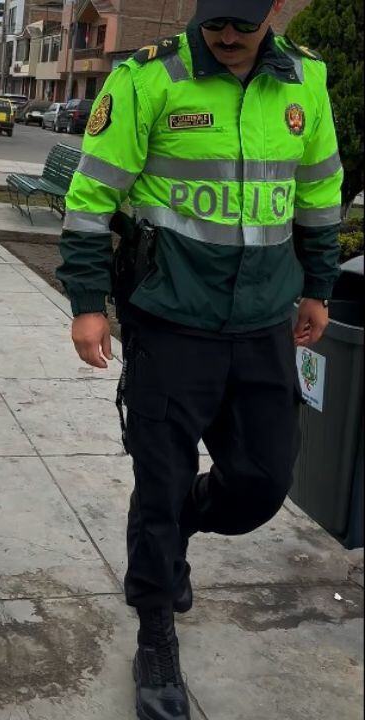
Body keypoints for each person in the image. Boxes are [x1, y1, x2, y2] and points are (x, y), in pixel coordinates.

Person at [55, 1, 342, 718]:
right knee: (161, 480)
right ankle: (156, 631)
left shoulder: (304, 80)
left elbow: (318, 193)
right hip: (170, 319)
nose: (228, 36)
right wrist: (88, 300)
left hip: (262, 321)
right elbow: (91, 199)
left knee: (264, 480)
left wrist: (319, 286)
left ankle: (178, 520)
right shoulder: (149, 80)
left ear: (272, 10)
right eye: (216, 19)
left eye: (244, 21)